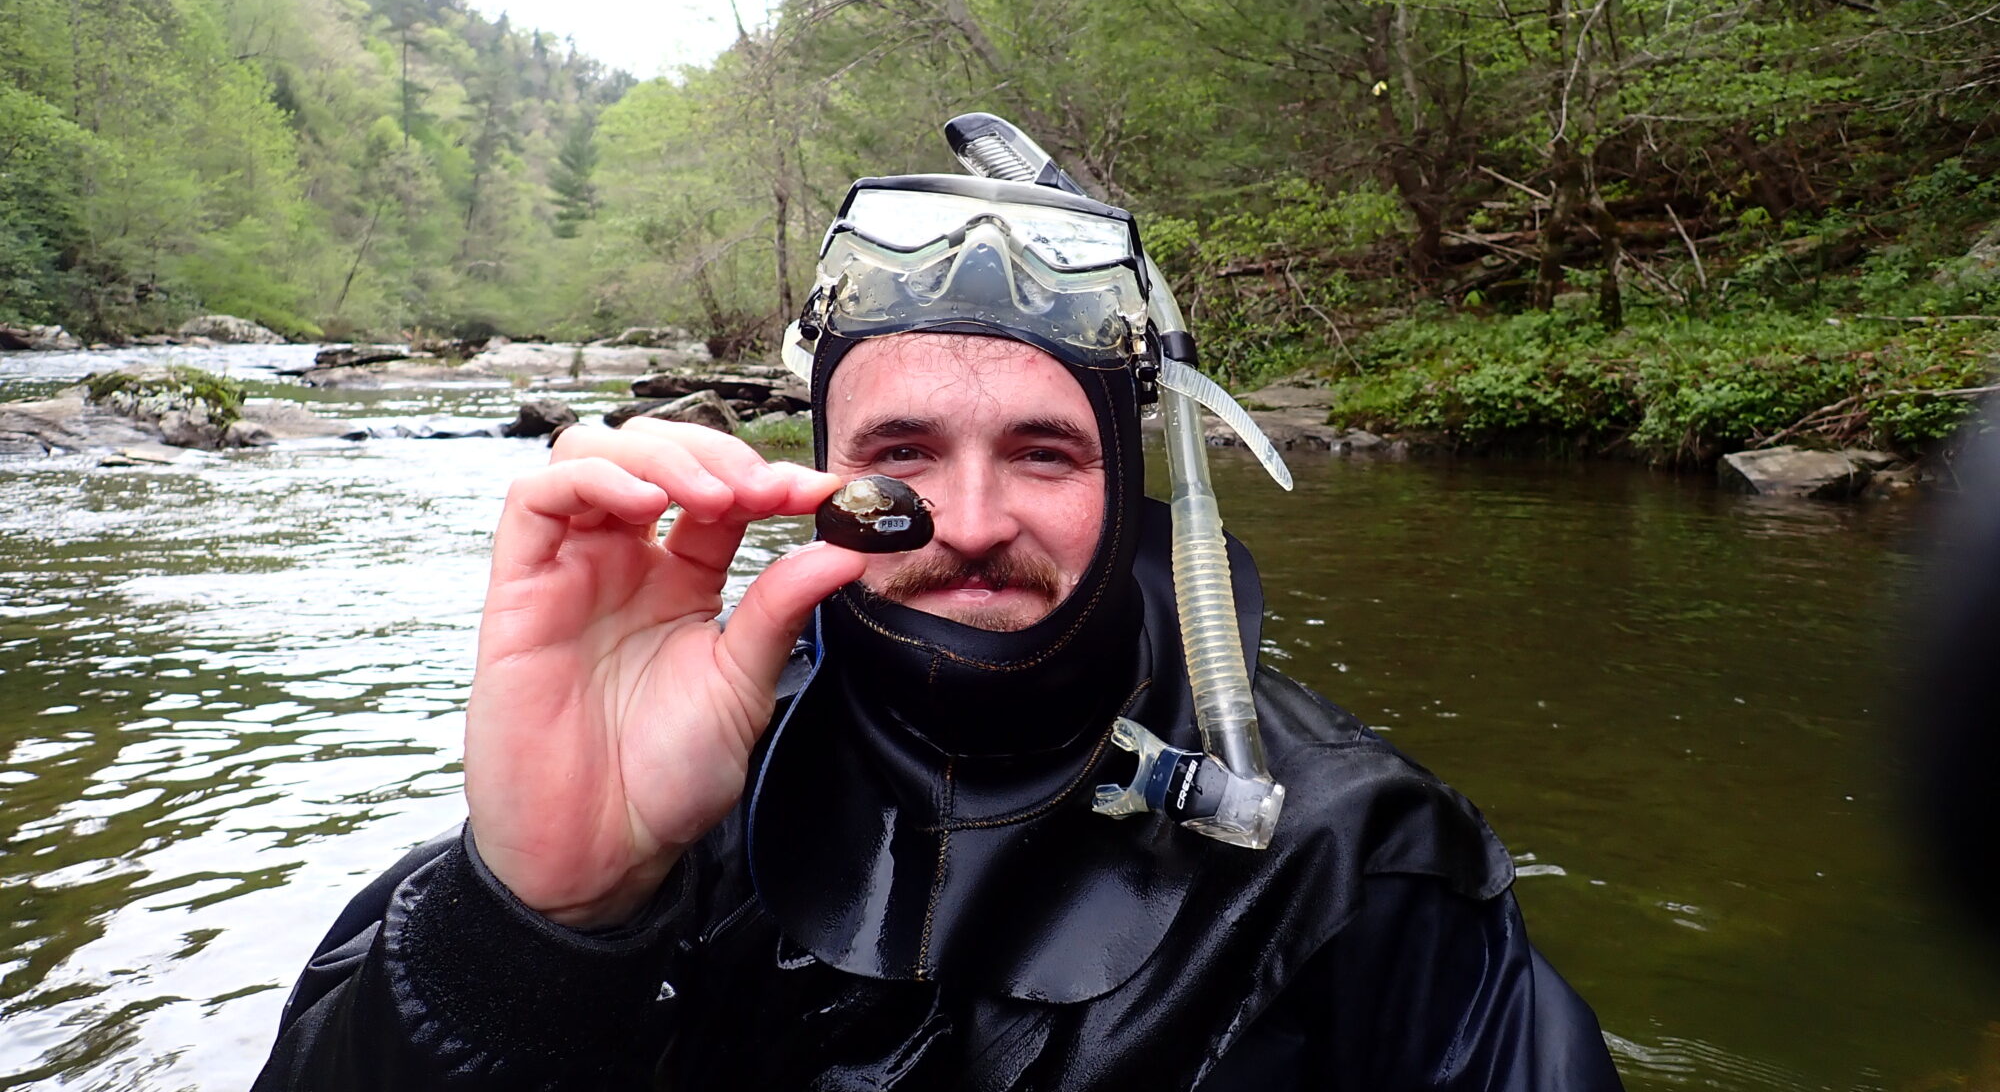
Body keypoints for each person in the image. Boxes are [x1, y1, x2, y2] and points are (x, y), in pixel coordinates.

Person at [255, 168, 1624, 1091]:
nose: (968, 519)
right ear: (812, 473)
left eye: (1043, 453)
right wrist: (532, 919)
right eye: (901, 451)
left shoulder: (1352, 856)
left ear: (1137, 479)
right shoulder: (667, 789)